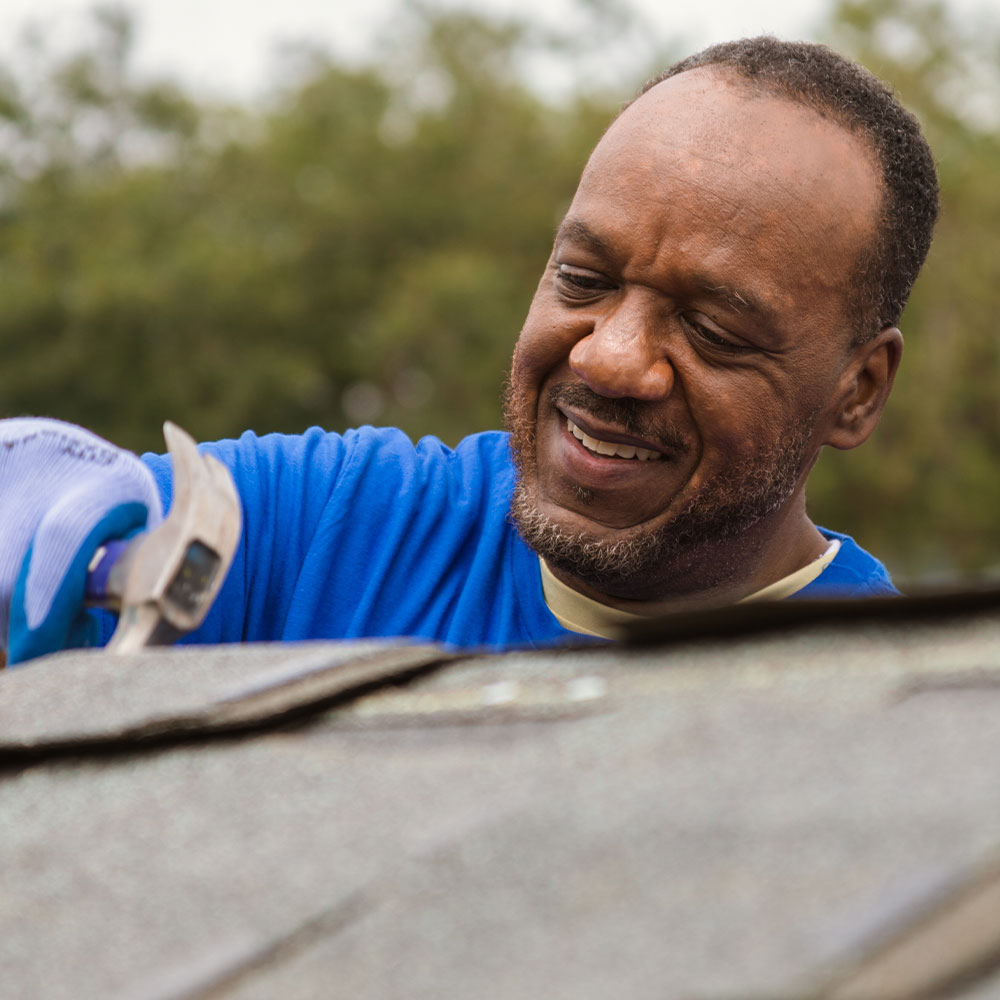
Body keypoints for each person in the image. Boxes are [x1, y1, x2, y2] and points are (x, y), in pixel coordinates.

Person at [0, 36, 939, 665]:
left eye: (715, 330)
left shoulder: (888, 721)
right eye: (585, 279)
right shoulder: (341, 529)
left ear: (857, 392)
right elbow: (107, 527)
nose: (610, 359)